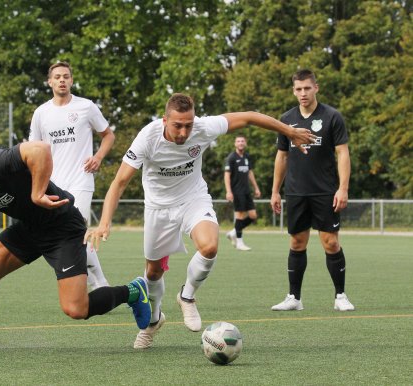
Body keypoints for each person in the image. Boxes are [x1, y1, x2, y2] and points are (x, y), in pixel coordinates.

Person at [86, 93, 315, 349]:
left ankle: (187, 296)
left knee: (209, 247)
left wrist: (289, 132)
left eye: (189, 124)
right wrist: (105, 221)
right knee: (153, 272)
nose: (184, 131)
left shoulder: (204, 128)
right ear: (164, 120)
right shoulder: (147, 138)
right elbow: (119, 182)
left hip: (193, 199)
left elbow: (249, 117)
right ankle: (153, 321)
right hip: (158, 209)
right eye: (177, 125)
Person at [0, 135, 151, 352]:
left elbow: (40, 149)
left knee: (76, 308)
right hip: (30, 228)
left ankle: (132, 291)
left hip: (61, 227)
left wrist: (37, 192)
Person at [270, 69, 355, 312]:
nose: (303, 93)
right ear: (293, 90)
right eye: (298, 89)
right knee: (297, 242)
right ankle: (294, 298)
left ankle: (340, 296)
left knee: (330, 243)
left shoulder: (332, 117)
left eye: (307, 88)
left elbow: (343, 153)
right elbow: (282, 156)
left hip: (325, 191)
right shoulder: (286, 119)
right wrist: (275, 191)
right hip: (296, 192)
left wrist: (343, 188)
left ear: (316, 87)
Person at [29, 61, 115, 290]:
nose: (62, 80)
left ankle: (98, 285)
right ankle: (100, 283)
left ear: (72, 80)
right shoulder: (41, 113)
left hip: (81, 181)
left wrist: (97, 157)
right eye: (57, 77)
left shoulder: (86, 107)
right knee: (68, 235)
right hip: (53, 185)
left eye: (66, 76)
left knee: (77, 231)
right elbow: (33, 150)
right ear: (50, 82)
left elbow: (108, 135)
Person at [224, 135, 261, 251]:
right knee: (239, 216)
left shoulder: (246, 157)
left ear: (245, 143)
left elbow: (250, 172)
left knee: (253, 216)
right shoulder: (231, 158)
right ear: (235, 144)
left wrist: (256, 188)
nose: (240, 143)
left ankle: (233, 232)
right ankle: (239, 243)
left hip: (246, 191)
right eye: (238, 141)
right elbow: (227, 176)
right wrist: (229, 191)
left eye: (242, 141)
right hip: (237, 191)